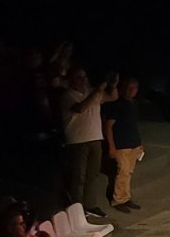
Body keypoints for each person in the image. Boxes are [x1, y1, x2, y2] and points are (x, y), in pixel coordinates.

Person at [59, 66, 113, 219]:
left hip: (95, 137)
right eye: (79, 77)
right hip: (78, 140)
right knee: (79, 177)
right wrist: (97, 91)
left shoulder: (92, 93)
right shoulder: (68, 95)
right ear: (71, 79)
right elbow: (80, 108)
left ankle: (90, 204)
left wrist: (112, 84)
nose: (83, 80)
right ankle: (77, 207)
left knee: (93, 174)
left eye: (84, 77)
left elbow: (112, 97)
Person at [102, 76, 144, 212]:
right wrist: (111, 146)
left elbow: (133, 125)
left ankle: (125, 197)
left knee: (128, 172)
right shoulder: (117, 104)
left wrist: (139, 143)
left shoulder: (133, 104)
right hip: (121, 144)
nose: (131, 91)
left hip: (133, 143)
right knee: (123, 171)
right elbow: (108, 126)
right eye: (129, 88)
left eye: (134, 88)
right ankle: (118, 200)